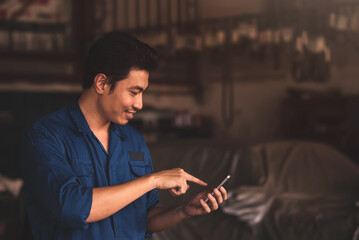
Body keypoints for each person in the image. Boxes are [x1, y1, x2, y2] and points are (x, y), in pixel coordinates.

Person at [21, 32, 227, 240]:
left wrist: (183, 210)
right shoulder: (45, 135)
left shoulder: (133, 140)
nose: (140, 104)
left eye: (142, 93)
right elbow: (71, 207)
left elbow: (144, 218)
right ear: (102, 83)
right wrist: (152, 180)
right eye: (133, 92)